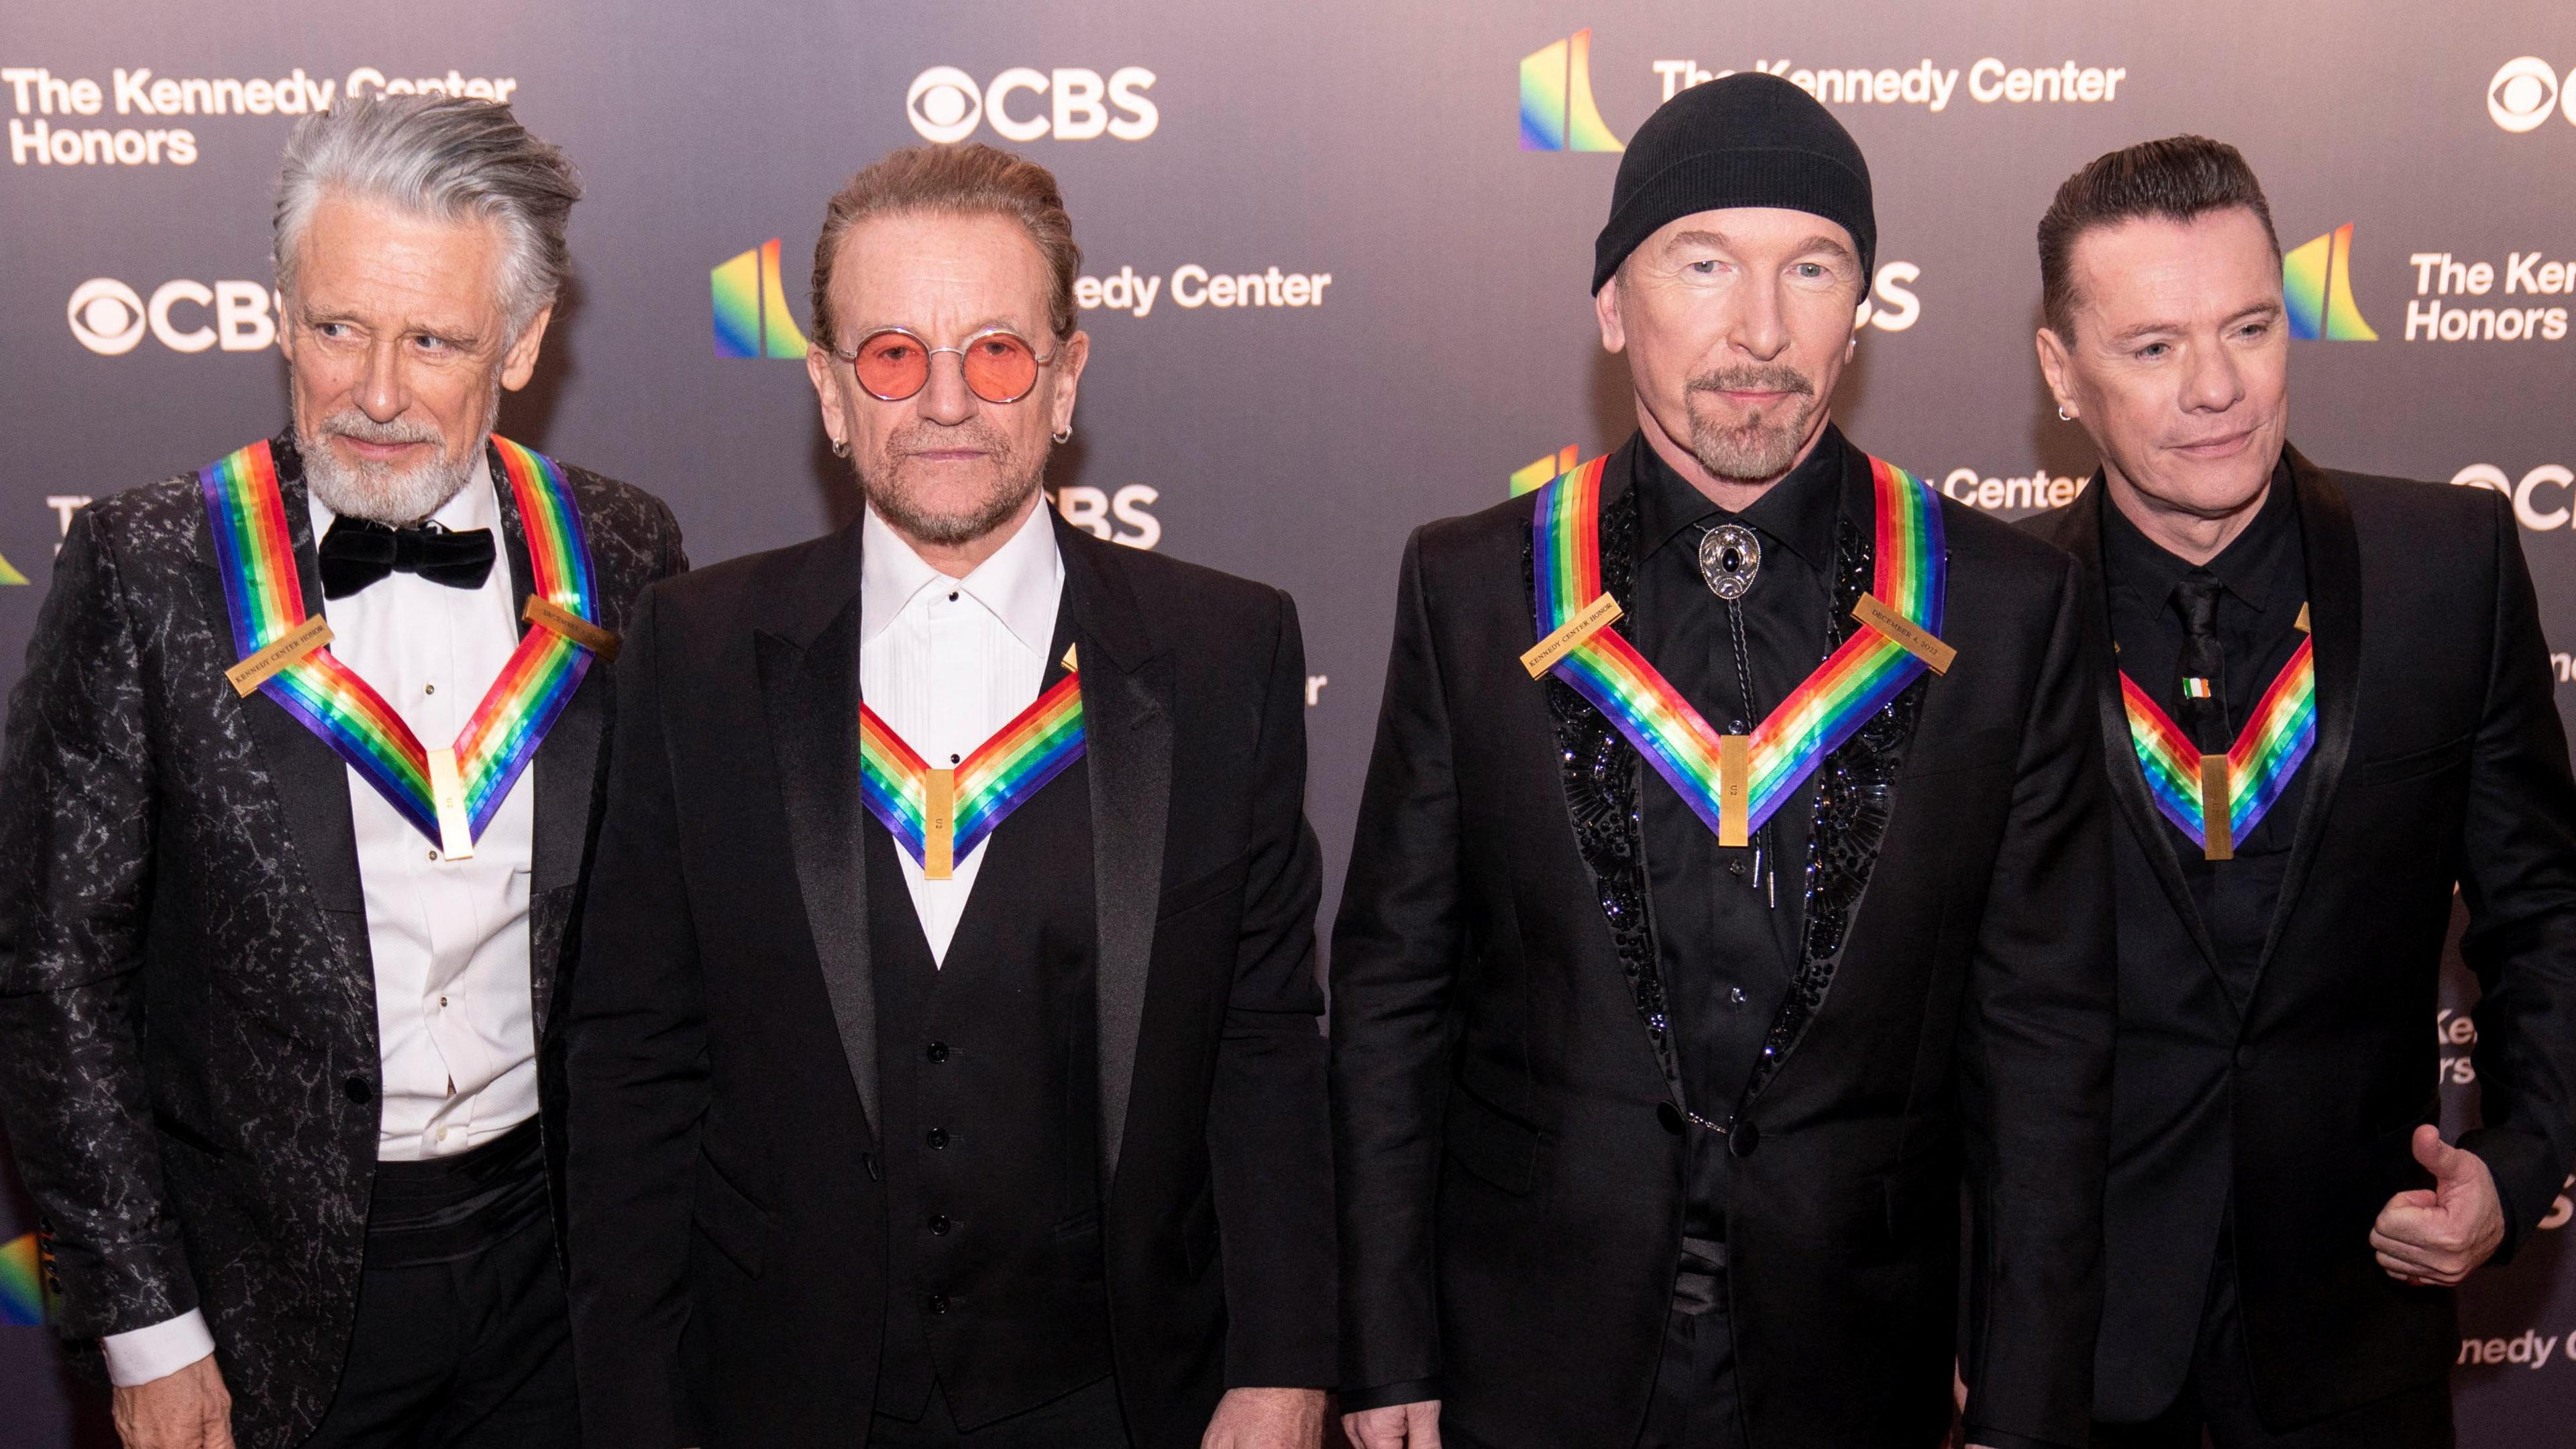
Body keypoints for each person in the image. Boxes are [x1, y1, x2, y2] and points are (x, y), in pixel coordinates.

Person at [1330, 72, 2116, 1449]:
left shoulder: (2003, 605)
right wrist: (1387, 1354)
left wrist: (2028, 1388)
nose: (1761, 329)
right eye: (1705, 264)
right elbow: (1397, 993)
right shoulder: (1473, 585)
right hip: (1528, 1352)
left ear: (1861, 308)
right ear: (1613, 305)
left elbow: (2042, 1035)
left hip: (1860, 1362)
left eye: (1811, 269)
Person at [561, 141, 1333, 1449]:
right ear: (827, 389)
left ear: (1068, 375)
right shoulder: (693, 653)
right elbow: (633, 1059)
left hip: (1118, 1395)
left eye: (996, 351)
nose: (948, 402)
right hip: (781, 1398)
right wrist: (637, 1407)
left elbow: (1263, 1040)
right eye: (894, 355)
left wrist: (1282, 1362)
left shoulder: (1223, 653)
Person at [0, 95, 686, 1449]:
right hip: (261, 1296)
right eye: (336, 328)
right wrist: (145, 1324)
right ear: (280, 316)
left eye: (432, 339)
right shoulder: (149, 570)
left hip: (560, 1276)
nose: (375, 391)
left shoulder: (621, 545)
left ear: (526, 342)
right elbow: (52, 970)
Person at [2021, 135, 2576, 1449]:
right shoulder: (1987, 614)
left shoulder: (2449, 567)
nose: (2215, 388)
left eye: (2251, 327)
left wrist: (2523, 1154)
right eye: (2153, 346)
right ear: (2063, 373)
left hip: (2357, 1330)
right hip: (2069, 1348)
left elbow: (2544, 905)